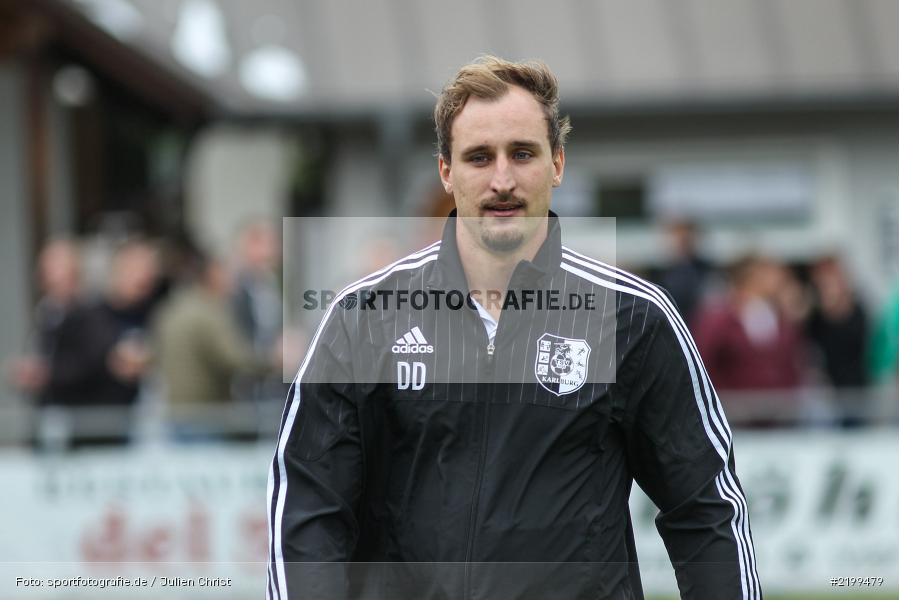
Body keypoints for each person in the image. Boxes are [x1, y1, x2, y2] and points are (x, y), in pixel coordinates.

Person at [268, 57, 760, 599]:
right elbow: (308, 509)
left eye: (522, 153)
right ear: (446, 172)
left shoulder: (633, 319)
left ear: (557, 164)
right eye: (479, 157)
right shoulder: (362, 319)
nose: (502, 180)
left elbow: (706, 512)